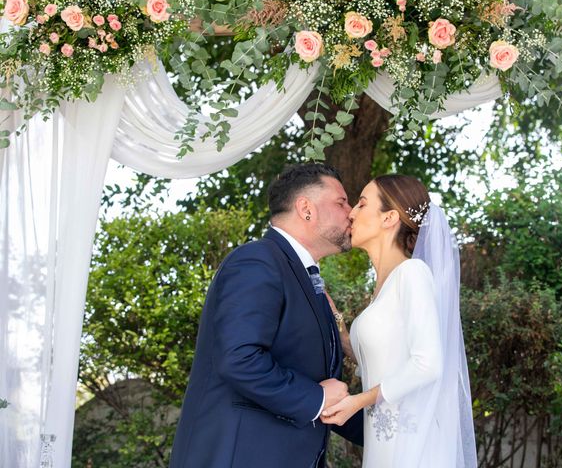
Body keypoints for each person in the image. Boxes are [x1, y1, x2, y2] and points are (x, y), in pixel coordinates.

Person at [170, 164, 363, 468]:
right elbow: (239, 359)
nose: (351, 212)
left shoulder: (307, 279)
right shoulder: (257, 261)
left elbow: (323, 390)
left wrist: (390, 430)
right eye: (341, 202)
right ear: (306, 209)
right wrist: (315, 399)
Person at [320, 174, 477, 467]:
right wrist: (342, 333)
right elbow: (388, 362)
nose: (351, 213)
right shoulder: (384, 287)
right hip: (384, 442)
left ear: (389, 218)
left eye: (362, 205)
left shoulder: (413, 274)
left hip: (413, 444)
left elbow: (427, 364)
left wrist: (357, 401)